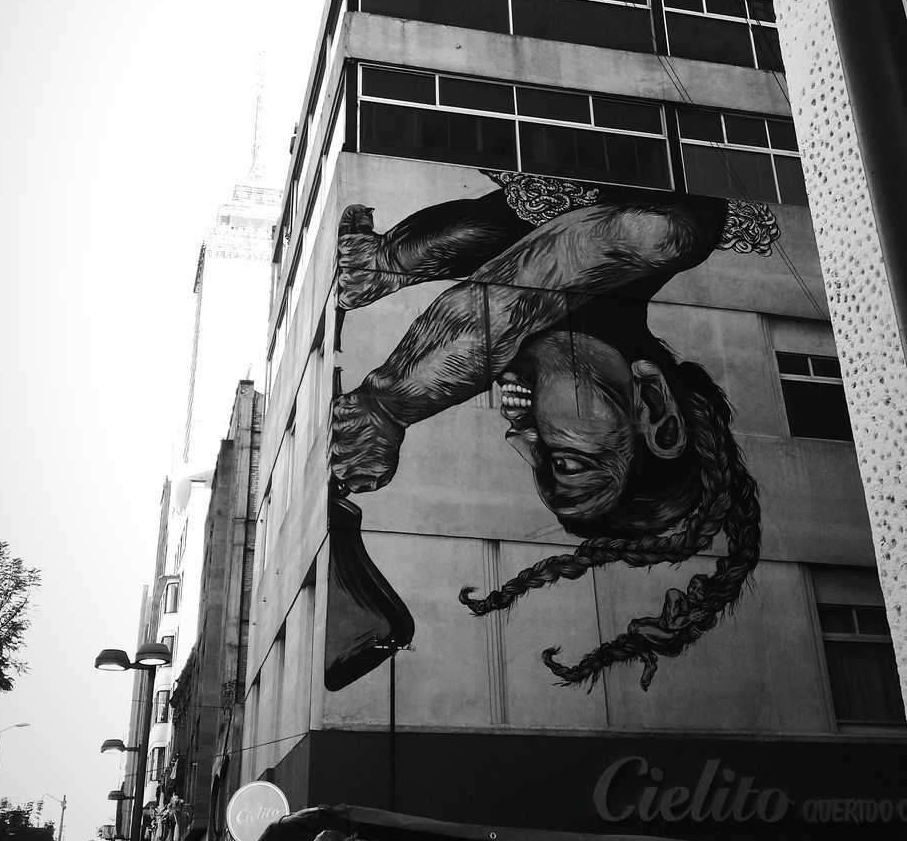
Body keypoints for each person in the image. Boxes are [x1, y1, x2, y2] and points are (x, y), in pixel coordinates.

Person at [332, 170, 777, 690]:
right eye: (565, 462)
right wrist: (386, 408)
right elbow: (496, 312)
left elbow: (501, 261)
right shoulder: (661, 233)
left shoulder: (556, 302)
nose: (519, 441)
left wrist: (385, 262)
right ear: (655, 408)